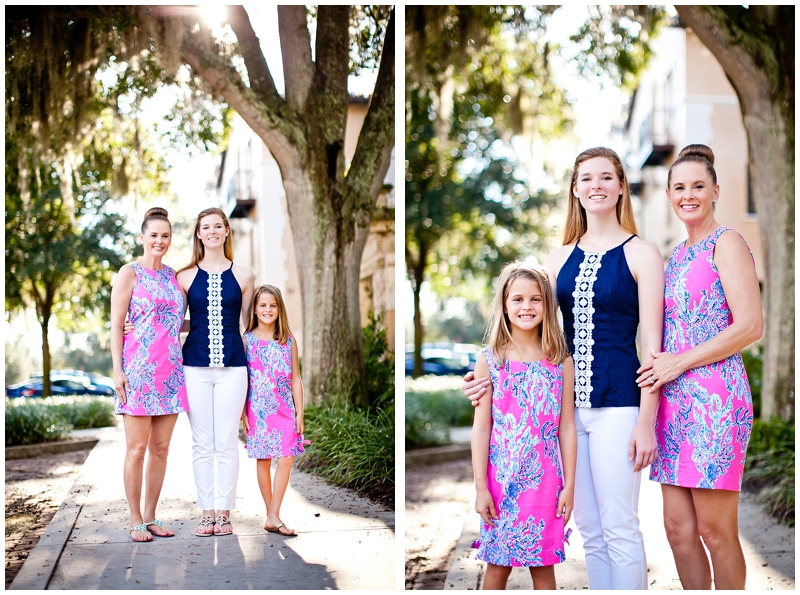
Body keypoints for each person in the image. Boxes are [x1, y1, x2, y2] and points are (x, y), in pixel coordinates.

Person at [464, 147, 664, 590]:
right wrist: (485, 377)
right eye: (586, 178)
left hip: (619, 406)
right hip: (565, 417)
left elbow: (653, 346)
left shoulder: (642, 255)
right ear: (575, 190)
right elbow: (525, 325)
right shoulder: (556, 260)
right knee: (590, 534)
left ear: (620, 187)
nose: (596, 185)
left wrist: (647, 420)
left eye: (606, 177)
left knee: (620, 527)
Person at [637, 144, 762, 590]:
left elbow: (750, 325)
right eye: (679, 187)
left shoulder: (726, 242)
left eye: (697, 186)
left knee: (715, 531)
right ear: (669, 195)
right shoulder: (674, 259)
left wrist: (680, 362)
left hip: (716, 403)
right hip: (674, 407)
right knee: (679, 531)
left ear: (715, 191)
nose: (688, 194)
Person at [470, 263, 577, 590]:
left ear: (548, 305)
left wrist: (569, 485)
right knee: (497, 570)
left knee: (544, 571)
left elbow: (567, 427)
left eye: (535, 299)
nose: (526, 307)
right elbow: (481, 428)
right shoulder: (490, 360)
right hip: (500, 484)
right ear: (504, 304)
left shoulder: (561, 361)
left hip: (546, 483)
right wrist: (480, 487)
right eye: (517, 299)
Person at [110, 207, 188, 542]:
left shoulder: (174, 276)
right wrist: (118, 371)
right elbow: (115, 324)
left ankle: (153, 516)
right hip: (137, 372)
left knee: (161, 448)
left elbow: (176, 322)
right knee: (137, 449)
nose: (160, 240)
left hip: (170, 373)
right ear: (142, 237)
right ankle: (135, 519)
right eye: (153, 235)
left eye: (165, 235)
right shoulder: (129, 273)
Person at [177, 207, 255, 536]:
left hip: (234, 367)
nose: (211, 231)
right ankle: (206, 513)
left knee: (226, 441)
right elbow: (174, 323)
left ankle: (224, 513)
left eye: (217, 226)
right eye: (205, 227)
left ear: (226, 232)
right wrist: (135, 326)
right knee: (201, 442)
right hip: (193, 366)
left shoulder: (245, 275)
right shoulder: (183, 276)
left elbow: (252, 326)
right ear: (198, 233)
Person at [241, 284, 308, 537]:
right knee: (264, 459)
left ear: (279, 309)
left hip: (284, 409)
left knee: (287, 457)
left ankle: (273, 514)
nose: (267, 309)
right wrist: (242, 411)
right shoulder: (247, 341)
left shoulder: (288, 340)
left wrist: (300, 412)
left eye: (272, 305)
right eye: (262, 305)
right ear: (255, 310)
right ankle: (273, 515)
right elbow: (243, 379)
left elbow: (296, 379)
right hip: (258, 409)